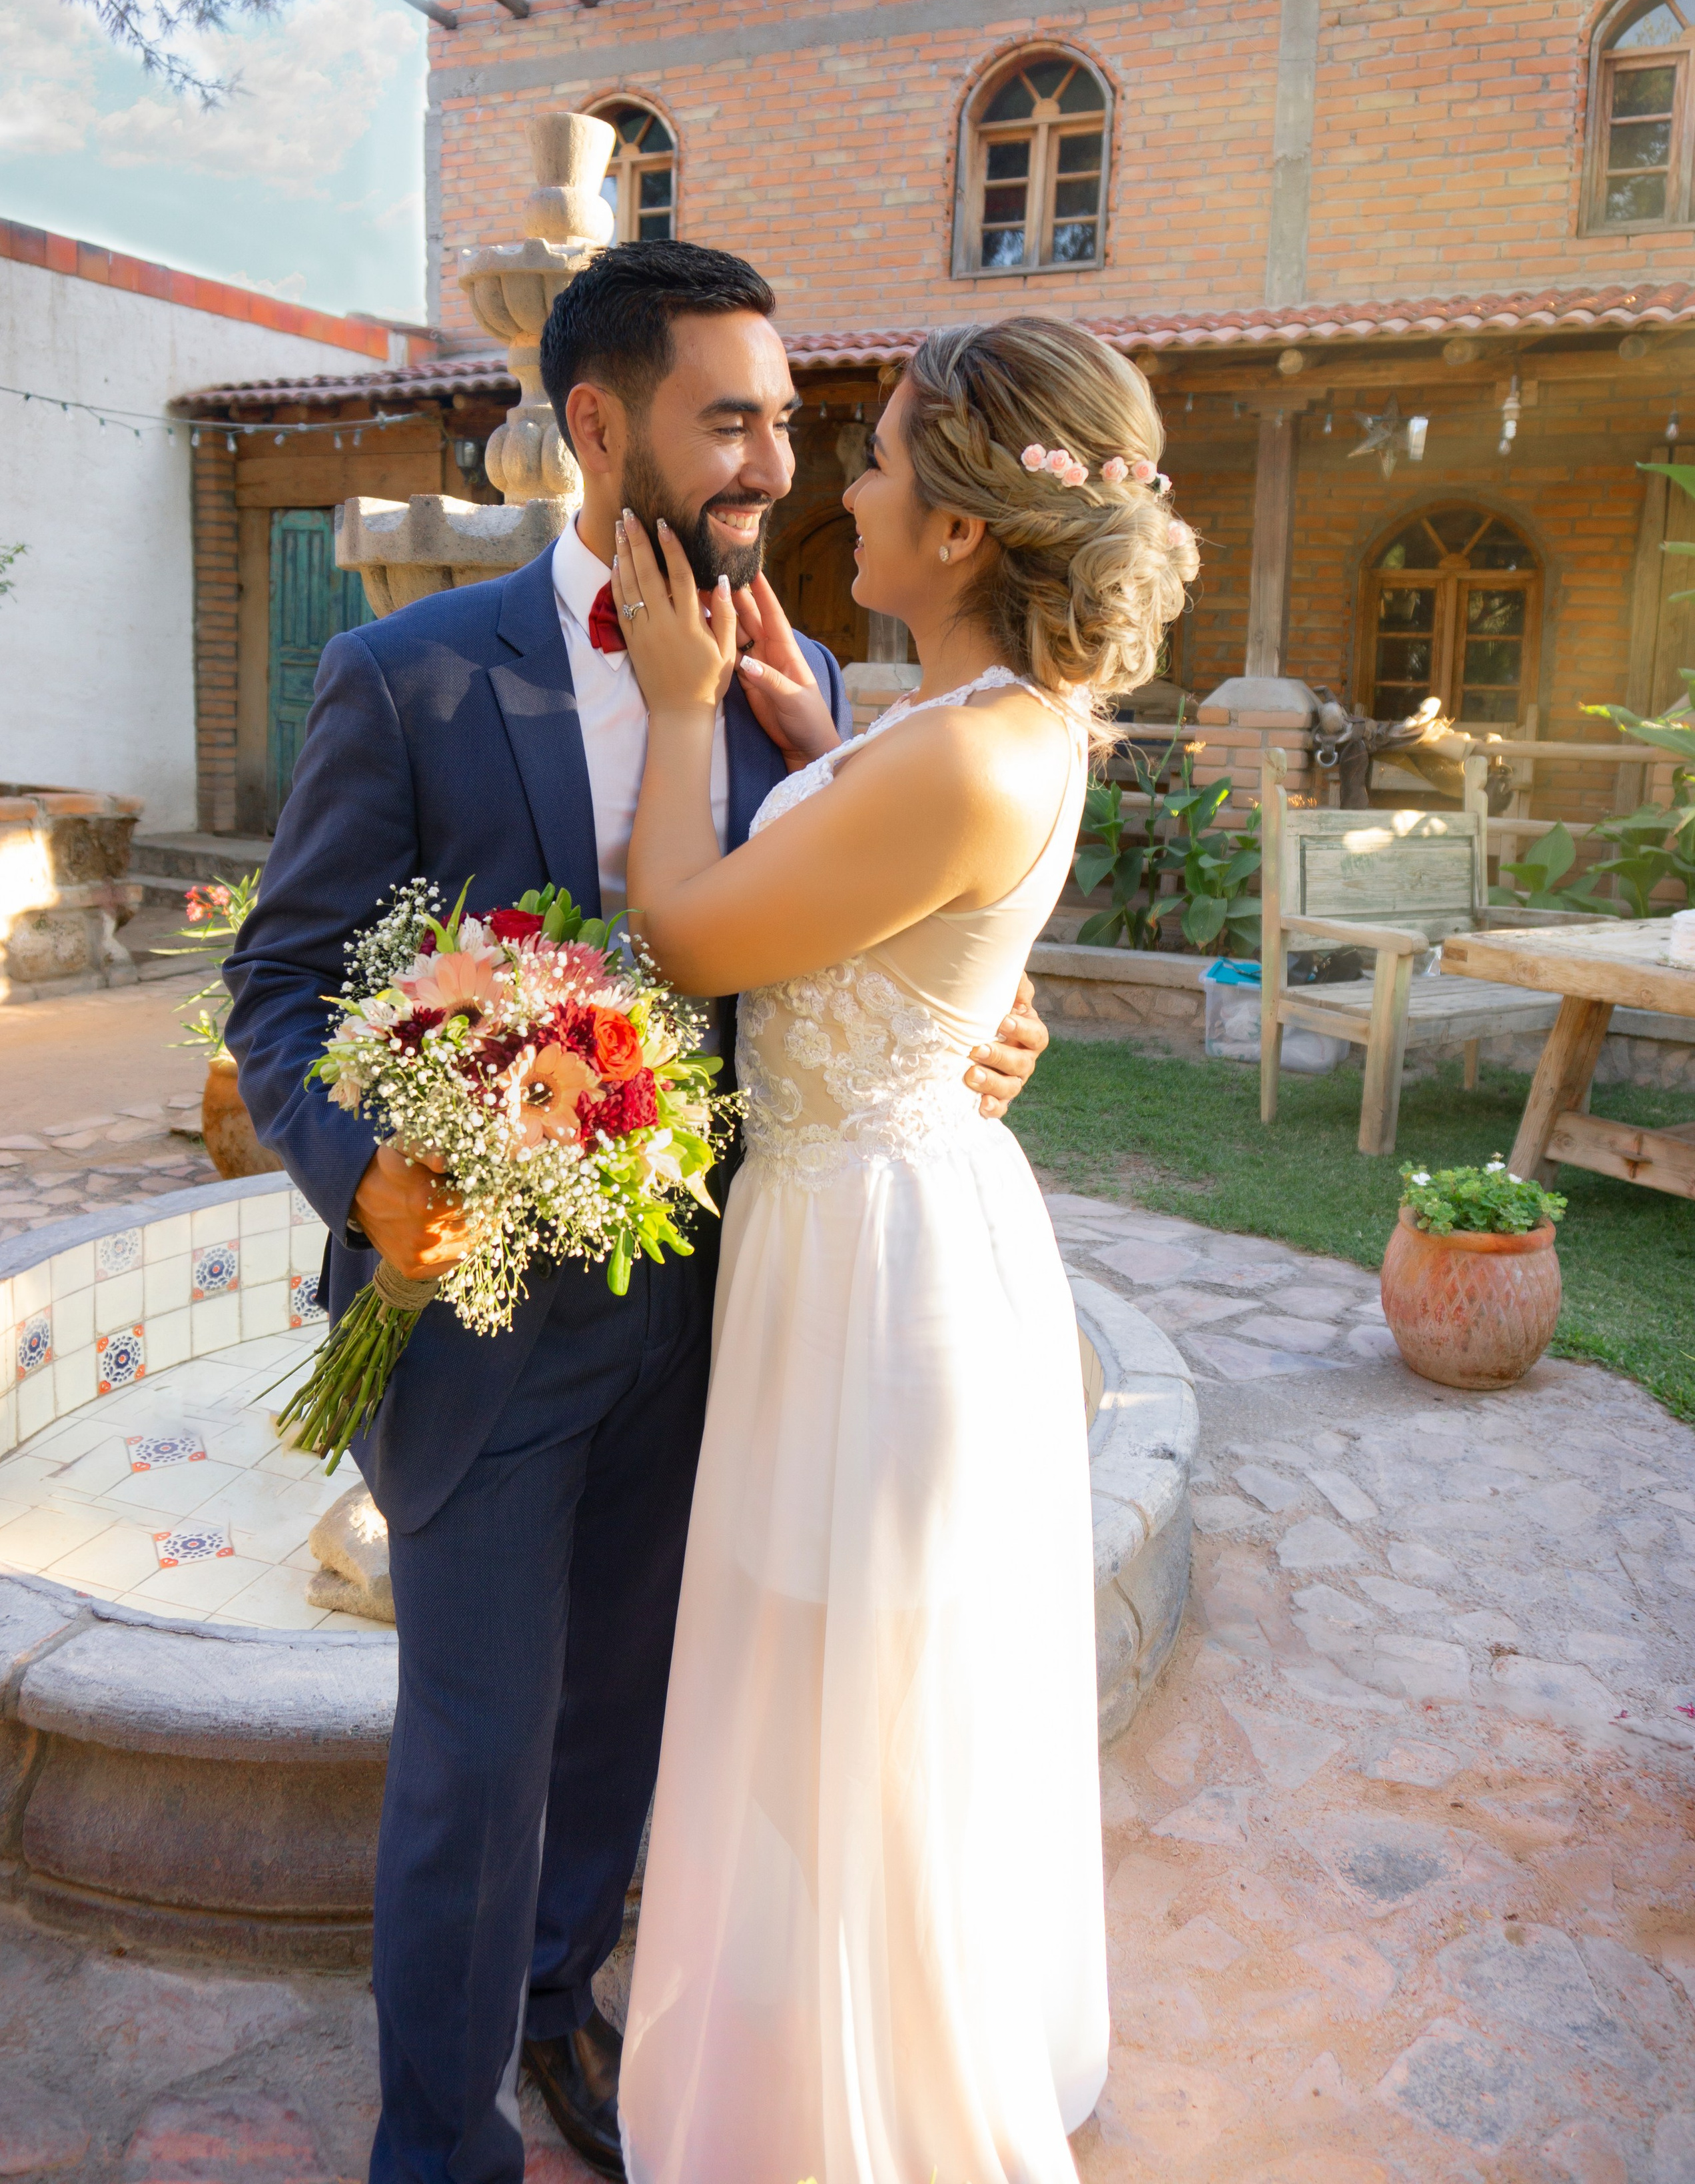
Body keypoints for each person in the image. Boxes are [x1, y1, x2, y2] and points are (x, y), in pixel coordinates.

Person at [221, 241, 1048, 2184]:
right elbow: (285, 984)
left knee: (627, 1737)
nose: (771, 462)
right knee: (474, 1763)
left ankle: (554, 2015)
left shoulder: (811, 681)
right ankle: (436, 2141)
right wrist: (369, 1163)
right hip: (484, 1331)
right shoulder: (408, 677)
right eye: (729, 420)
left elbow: (847, 941)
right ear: (596, 426)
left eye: (788, 423)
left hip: (738, 1306)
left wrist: (972, 1023)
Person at [608, 313, 1198, 2184]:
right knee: (841, 1695)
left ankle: (877, 2104)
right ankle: (828, 2036)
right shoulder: (959, 721)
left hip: (877, 1276)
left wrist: (690, 707)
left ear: (958, 531)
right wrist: (807, 728)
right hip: (863, 1228)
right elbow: (902, 876)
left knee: (855, 1713)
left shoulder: (972, 759)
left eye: (872, 456)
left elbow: (696, 938)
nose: (834, 488)